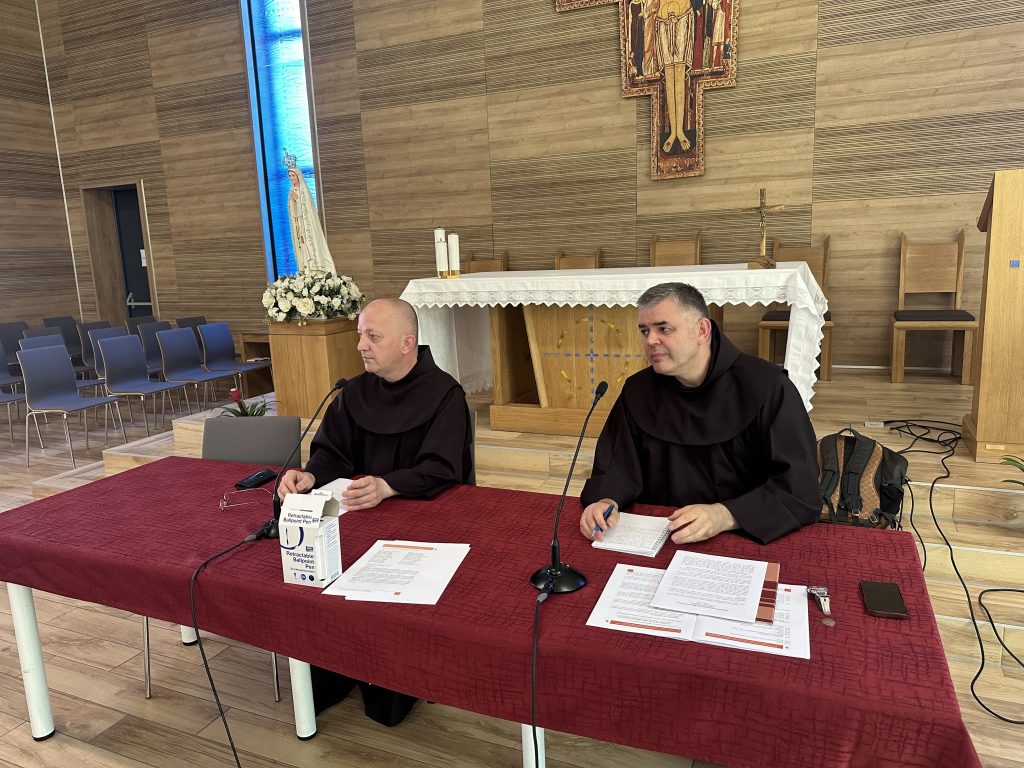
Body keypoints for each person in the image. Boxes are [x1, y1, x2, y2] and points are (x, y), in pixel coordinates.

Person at [278, 297, 474, 725]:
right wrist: (310, 475)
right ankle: (335, 666)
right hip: (358, 516)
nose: (361, 346)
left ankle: (394, 679)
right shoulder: (354, 393)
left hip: (422, 521)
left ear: (407, 343)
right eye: (360, 335)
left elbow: (443, 469)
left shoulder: (445, 394)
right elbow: (332, 452)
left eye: (373, 336)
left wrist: (388, 485)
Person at [579, 282, 820, 546]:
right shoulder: (638, 390)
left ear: (702, 330)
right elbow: (618, 466)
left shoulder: (767, 386)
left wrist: (726, 514)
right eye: (645, 331)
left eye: (663, 329)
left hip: (743, 536)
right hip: (659, 535)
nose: (650, 340)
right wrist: (606, 500)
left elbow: (798, 487)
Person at [285, 153, 337, 275]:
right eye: (290, 176)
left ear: (298, 176)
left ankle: (314, 268)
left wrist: (297, 200)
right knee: (301, 245)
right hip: (298, 224)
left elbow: (306, 209)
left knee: (309, 244)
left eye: (293, 175)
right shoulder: (291, 191)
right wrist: (294, 202)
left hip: (306, 224)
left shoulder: (303, 191)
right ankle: (305, 268)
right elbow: (293, 211)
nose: (291, 178)